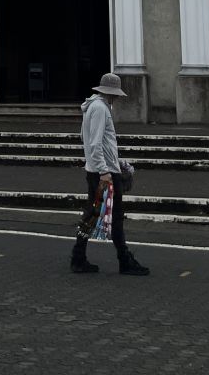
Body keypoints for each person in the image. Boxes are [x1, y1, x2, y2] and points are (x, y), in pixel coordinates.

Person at [70, 72, 149, 276]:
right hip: (103, 174)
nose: (116, 98)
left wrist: (115, 162)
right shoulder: (100, 108)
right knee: (114, 217)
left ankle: (79, 257)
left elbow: (87, 138)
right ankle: (124, 260)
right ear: (111, 93)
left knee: (93, 215)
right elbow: (95, 143)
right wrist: (105, 170)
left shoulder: (93, 107)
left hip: (98, 170)